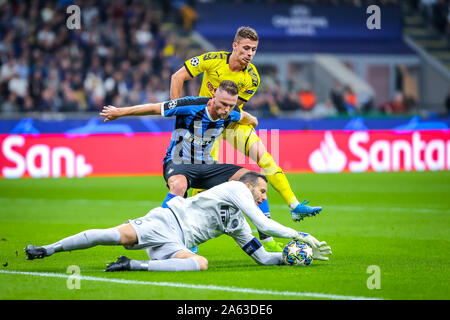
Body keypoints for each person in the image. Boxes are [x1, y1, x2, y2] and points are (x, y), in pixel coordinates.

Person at [170, 26, 323, 252]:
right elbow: (178, 76)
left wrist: (246, 118)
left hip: (230, 123)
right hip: (205, 124)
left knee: (265, 159)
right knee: (200, 179)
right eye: (246, 48)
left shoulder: (252, 78)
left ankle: (293, 204)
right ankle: (190, 241)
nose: (250, 53)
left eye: (254, 49)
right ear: (235, 46)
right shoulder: (212, 60)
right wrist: (177, 109)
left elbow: (234, 108)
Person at [24, 171, 332, 271]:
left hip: (174, 244)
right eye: (263, 191)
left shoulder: (238, 224)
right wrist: (302, 236)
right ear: (249, 185)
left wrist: (289, 258)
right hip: (165, 221)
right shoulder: (236, 188)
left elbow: (263, 257)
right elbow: (265, 227)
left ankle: (132, 266)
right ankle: (48, 249)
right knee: (111, 235)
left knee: (200, 263)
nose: (265, 197)